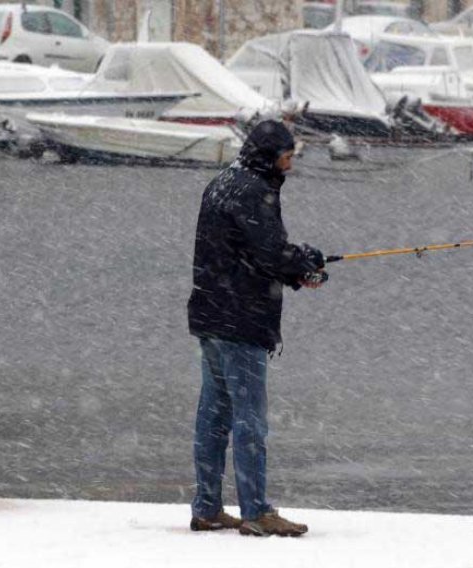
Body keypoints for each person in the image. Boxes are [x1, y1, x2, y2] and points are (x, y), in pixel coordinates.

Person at [187, 120, 327, 537]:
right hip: (240, 319)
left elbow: (247, 250)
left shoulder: (224, 183)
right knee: (250, 418)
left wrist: (297, 260)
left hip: (210, 316)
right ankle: (256, 511)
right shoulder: (253, 190)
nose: (290, 165)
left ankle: (208, 507)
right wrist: (304, 266)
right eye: (287, 157)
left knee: (213, 415)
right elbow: (268, 253)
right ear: (270, 156)